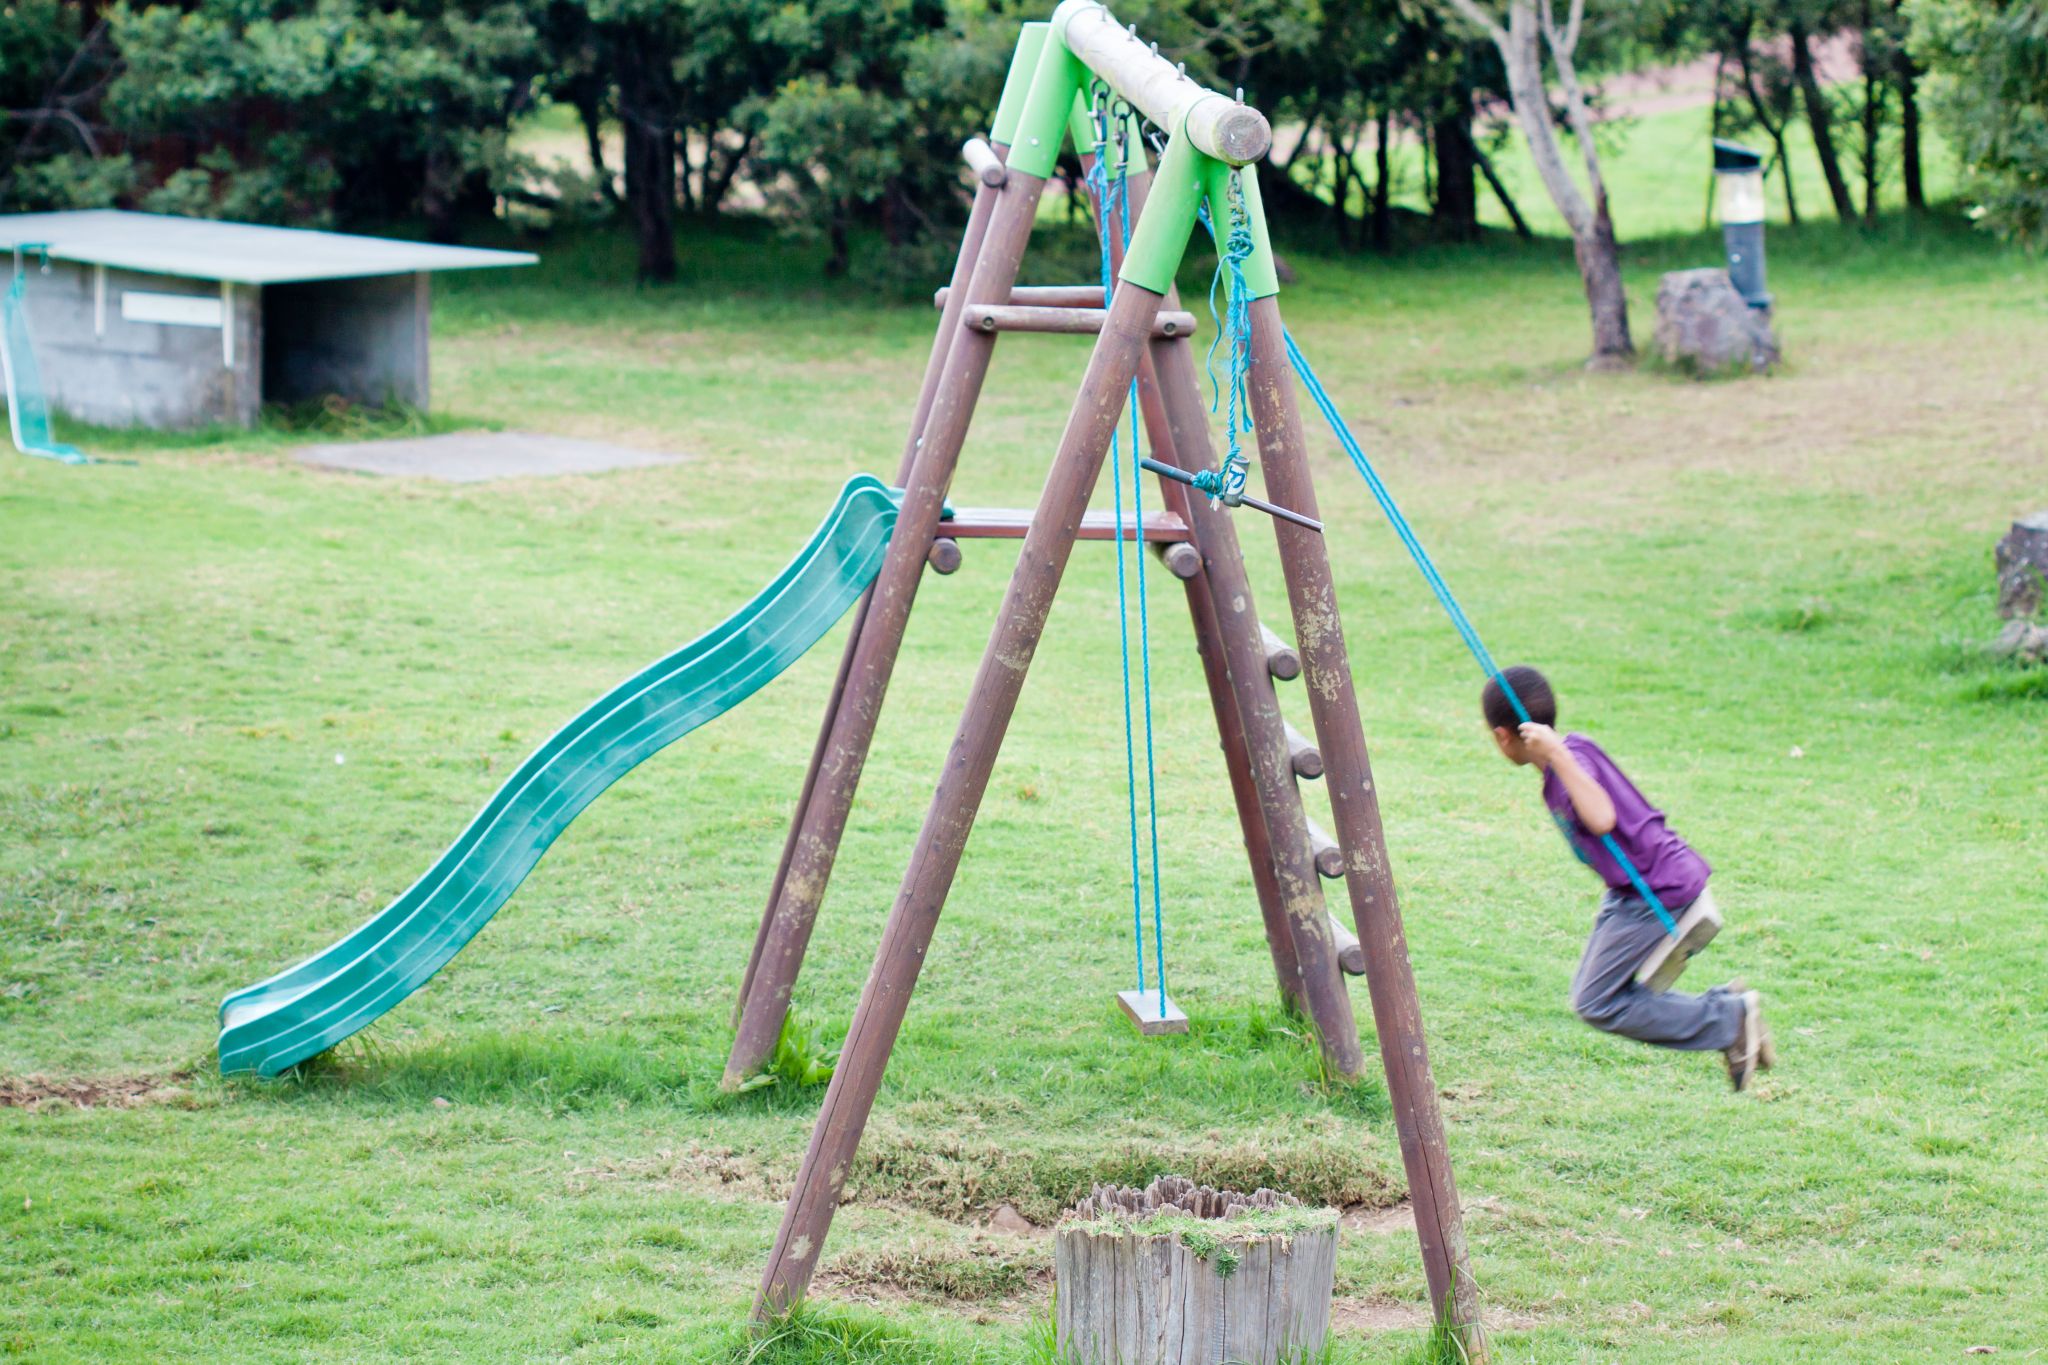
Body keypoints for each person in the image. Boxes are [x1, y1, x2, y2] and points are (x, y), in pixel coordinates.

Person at [1483, 665, 1774, 1091]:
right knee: (1595, 994)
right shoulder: (1576, 751)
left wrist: (1557, 756)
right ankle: (1727, 1011)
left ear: (1501, 737)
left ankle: (1729, 1020)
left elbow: (1602, 818)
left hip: (1655, 888)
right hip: (1637, 887)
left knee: (1597, 1002)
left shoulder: (1569, 766)